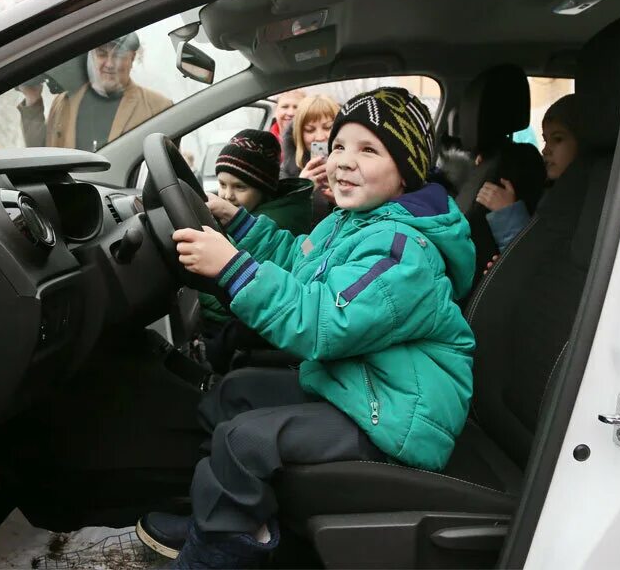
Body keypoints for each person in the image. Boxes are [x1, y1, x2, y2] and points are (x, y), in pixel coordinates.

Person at [137, 88, 476, 568]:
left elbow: (321, 321)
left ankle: (216, 553)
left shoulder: (402, 250)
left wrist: (232, 267)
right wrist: (242, 226)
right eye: (339, 146)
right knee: (233, 393)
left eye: (368, 150)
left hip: (398, 413)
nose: (344, 162)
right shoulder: (354, 221)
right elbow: (302, 263)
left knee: (245, 440)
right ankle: (216, 518)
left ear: (406, 174)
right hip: (364, 381)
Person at [197, 129, 313, 364]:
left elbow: (223, 296)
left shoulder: (279, 221)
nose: (227, 195)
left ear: (264, 188)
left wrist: (194, 291)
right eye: (222, 184)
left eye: (240, 187)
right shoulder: (253, 209)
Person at [17, 33, 172, 151]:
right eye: (102, 54)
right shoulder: (63, 102)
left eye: (118, 55)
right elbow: (43, 156)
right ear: (91, 56)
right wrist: (33, 99)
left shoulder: (158, 108)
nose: (110, 64)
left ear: (132, 58)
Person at [476, 94, 579, 254]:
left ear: (584, 142)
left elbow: (542, 259)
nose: (545, 150)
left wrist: (507, 213)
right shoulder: (552, 189)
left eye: (557, 139)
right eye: (545, 140)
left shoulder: (580, 200)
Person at [279, 94, 340, 226]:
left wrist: (345, 200)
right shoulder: (285, 174)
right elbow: (281, 227)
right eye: (310, 130)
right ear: (299, 134)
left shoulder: (356, 168)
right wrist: (300, 190)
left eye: (328, 127)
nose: (319, 137)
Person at [267, 89, 305, 154]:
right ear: (276, 110)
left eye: (296, 107)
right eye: (285, 107)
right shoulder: (266, 141)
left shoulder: (311, 140)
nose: (290, 113)